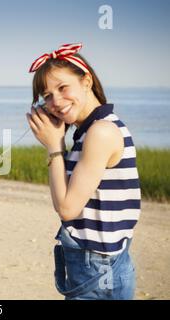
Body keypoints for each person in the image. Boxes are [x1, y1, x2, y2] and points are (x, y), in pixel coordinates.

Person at [26, 43, 140, 300]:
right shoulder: (89, 131)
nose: (56, 102)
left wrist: (54, 146)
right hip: (97, 263)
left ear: (86, 81)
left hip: (98, 269)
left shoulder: (101, 131)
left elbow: (67, 209)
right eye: (47, 96)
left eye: (63, 88)